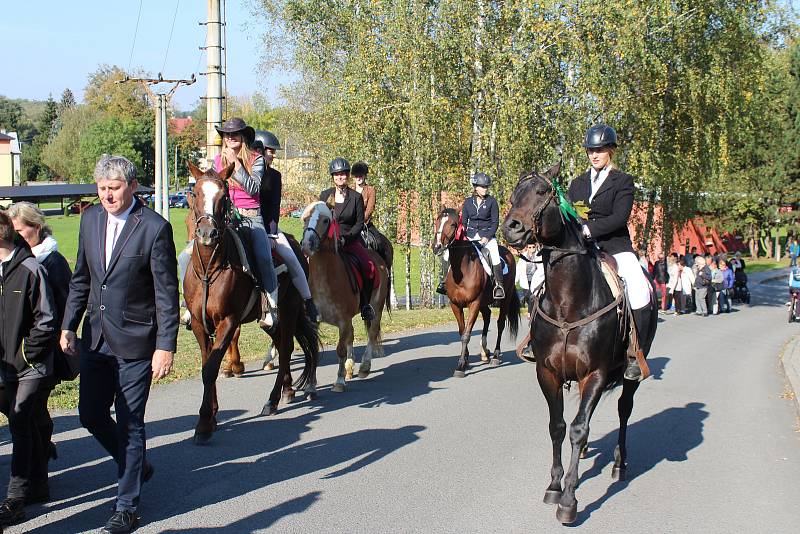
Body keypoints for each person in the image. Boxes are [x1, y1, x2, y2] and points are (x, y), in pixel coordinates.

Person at [60, 155, 179, 533]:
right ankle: (137, 464)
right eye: (101, 189)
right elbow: (82, 278)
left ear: (131, 186)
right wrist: (68, 325)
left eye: (113, 188)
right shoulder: (90, 219)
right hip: (95, 340)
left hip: (137, 342)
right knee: (91, 415)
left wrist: (166, 344)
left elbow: (166, 293)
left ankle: (126, 506)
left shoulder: (155, 228)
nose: (107, 196)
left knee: (130, 424)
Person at [567, 124, 654, 380]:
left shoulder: (623, 181)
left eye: (600, 150)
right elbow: (573, 214)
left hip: (615, 248)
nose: (594, 155)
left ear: (611, 152)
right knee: (541, 277)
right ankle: (535, 338)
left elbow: (619, 217)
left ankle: (635, 354)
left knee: (638, 287)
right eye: (590, 150)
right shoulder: (577, 184)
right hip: (582, 249)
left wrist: (588, 230)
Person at [6, 202, 72, 502]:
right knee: (29, 414)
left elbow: (58, 311)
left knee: (33, 412)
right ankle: (39, 459)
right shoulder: (15, 262)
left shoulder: (52, 262)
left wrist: (32, 347)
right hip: (18, 354)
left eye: (20, 230)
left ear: (36, 228)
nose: (17, 236)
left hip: (43, 353)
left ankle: (38, 476)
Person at [0, 210, 57, 528]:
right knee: (26, 421)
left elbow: (46, 318)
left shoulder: (30, 268)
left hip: (30, 365)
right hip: (6, 365)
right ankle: (38, 482)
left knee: (20, 421)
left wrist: (27, 353)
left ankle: (15, 500)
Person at [215, 117, 279, 330]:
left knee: (263, 256)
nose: (230, 137)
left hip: (252, 218)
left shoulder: (256, 159)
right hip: (227, 219)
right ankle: (191, 301)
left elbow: (254, 189)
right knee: (191, 251)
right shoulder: (216, 160)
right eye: (226, 134)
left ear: (243, 137)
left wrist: (236, 164)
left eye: (234, 134)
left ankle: (271, 305)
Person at [252, 130, 318, 323]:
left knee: (291, 257)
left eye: (273, 151)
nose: (273, 155)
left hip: (267, 227)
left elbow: (273, 208)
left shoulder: (275, 176)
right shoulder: (245, 173)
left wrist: (271, 234)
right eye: (270, 151)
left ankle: (308, 301)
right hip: (245, 225)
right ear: (258, 150)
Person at [320, 157, 377, 321]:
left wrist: (346, 238)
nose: (340, 177)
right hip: (328, 240)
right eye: (337, 174)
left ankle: (365, 305)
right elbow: (319, 218)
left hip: (350, 240)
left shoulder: (355, 197)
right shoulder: (325, 195)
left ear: (347, 176)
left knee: (369, 267)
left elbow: (359, 223)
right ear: (332, 176)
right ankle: (310, 303)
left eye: (343, 174)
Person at [457, 172, 505, 300]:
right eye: (482, 186)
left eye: (486, 187)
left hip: (487, 235)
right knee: (453, 254)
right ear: (476, 187)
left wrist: (487, 237)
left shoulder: (492, 202)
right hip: (471, 236)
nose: (485, 189)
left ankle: (498, 286)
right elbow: (463, 222)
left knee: (495, 255)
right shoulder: (468, 202)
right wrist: (464, 235)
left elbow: (495, 223)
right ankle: (446, 282)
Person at [515, 243, 544, 309]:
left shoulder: (538, 255)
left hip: (536, 279)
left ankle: (530, 312)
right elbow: (519, 268)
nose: (532, 249)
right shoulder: (523, 256)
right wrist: (515, 280)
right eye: (530, 247)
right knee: (527, 296)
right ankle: (532, 310)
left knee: (533, 295)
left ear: (535, 247)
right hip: (525, 279)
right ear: (527, 248)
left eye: (533, 247)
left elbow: (541, 268)